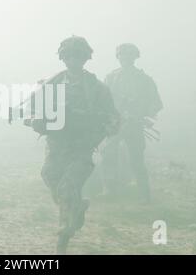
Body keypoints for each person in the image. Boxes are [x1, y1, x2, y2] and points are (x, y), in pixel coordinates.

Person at [27, 35, 119, 254]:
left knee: (68, 187)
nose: (73, 61)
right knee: (49, 176)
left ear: (85, 59)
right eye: (68, 56)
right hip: (57, 146)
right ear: (63, 58)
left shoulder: (96, 88)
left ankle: (64, 235)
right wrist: (36, 121)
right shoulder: (52, 83)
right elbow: (33, 109)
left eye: (77, 56)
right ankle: (76, 210)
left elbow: (113, 118)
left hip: (81, 148)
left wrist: (102, 130)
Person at [101, 43, 163, 203]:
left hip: (135, 125)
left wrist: (140, 113)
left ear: (135, 57)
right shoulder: (111, 77)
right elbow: (102, 100)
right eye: (122, 55)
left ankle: (144, 194)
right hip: (116, 123)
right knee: (108, 154)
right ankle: (110, 190)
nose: (125, 58)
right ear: (118, 57)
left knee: (136, 159)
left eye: (129, 55)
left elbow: (156, 104)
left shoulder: (144, 80)